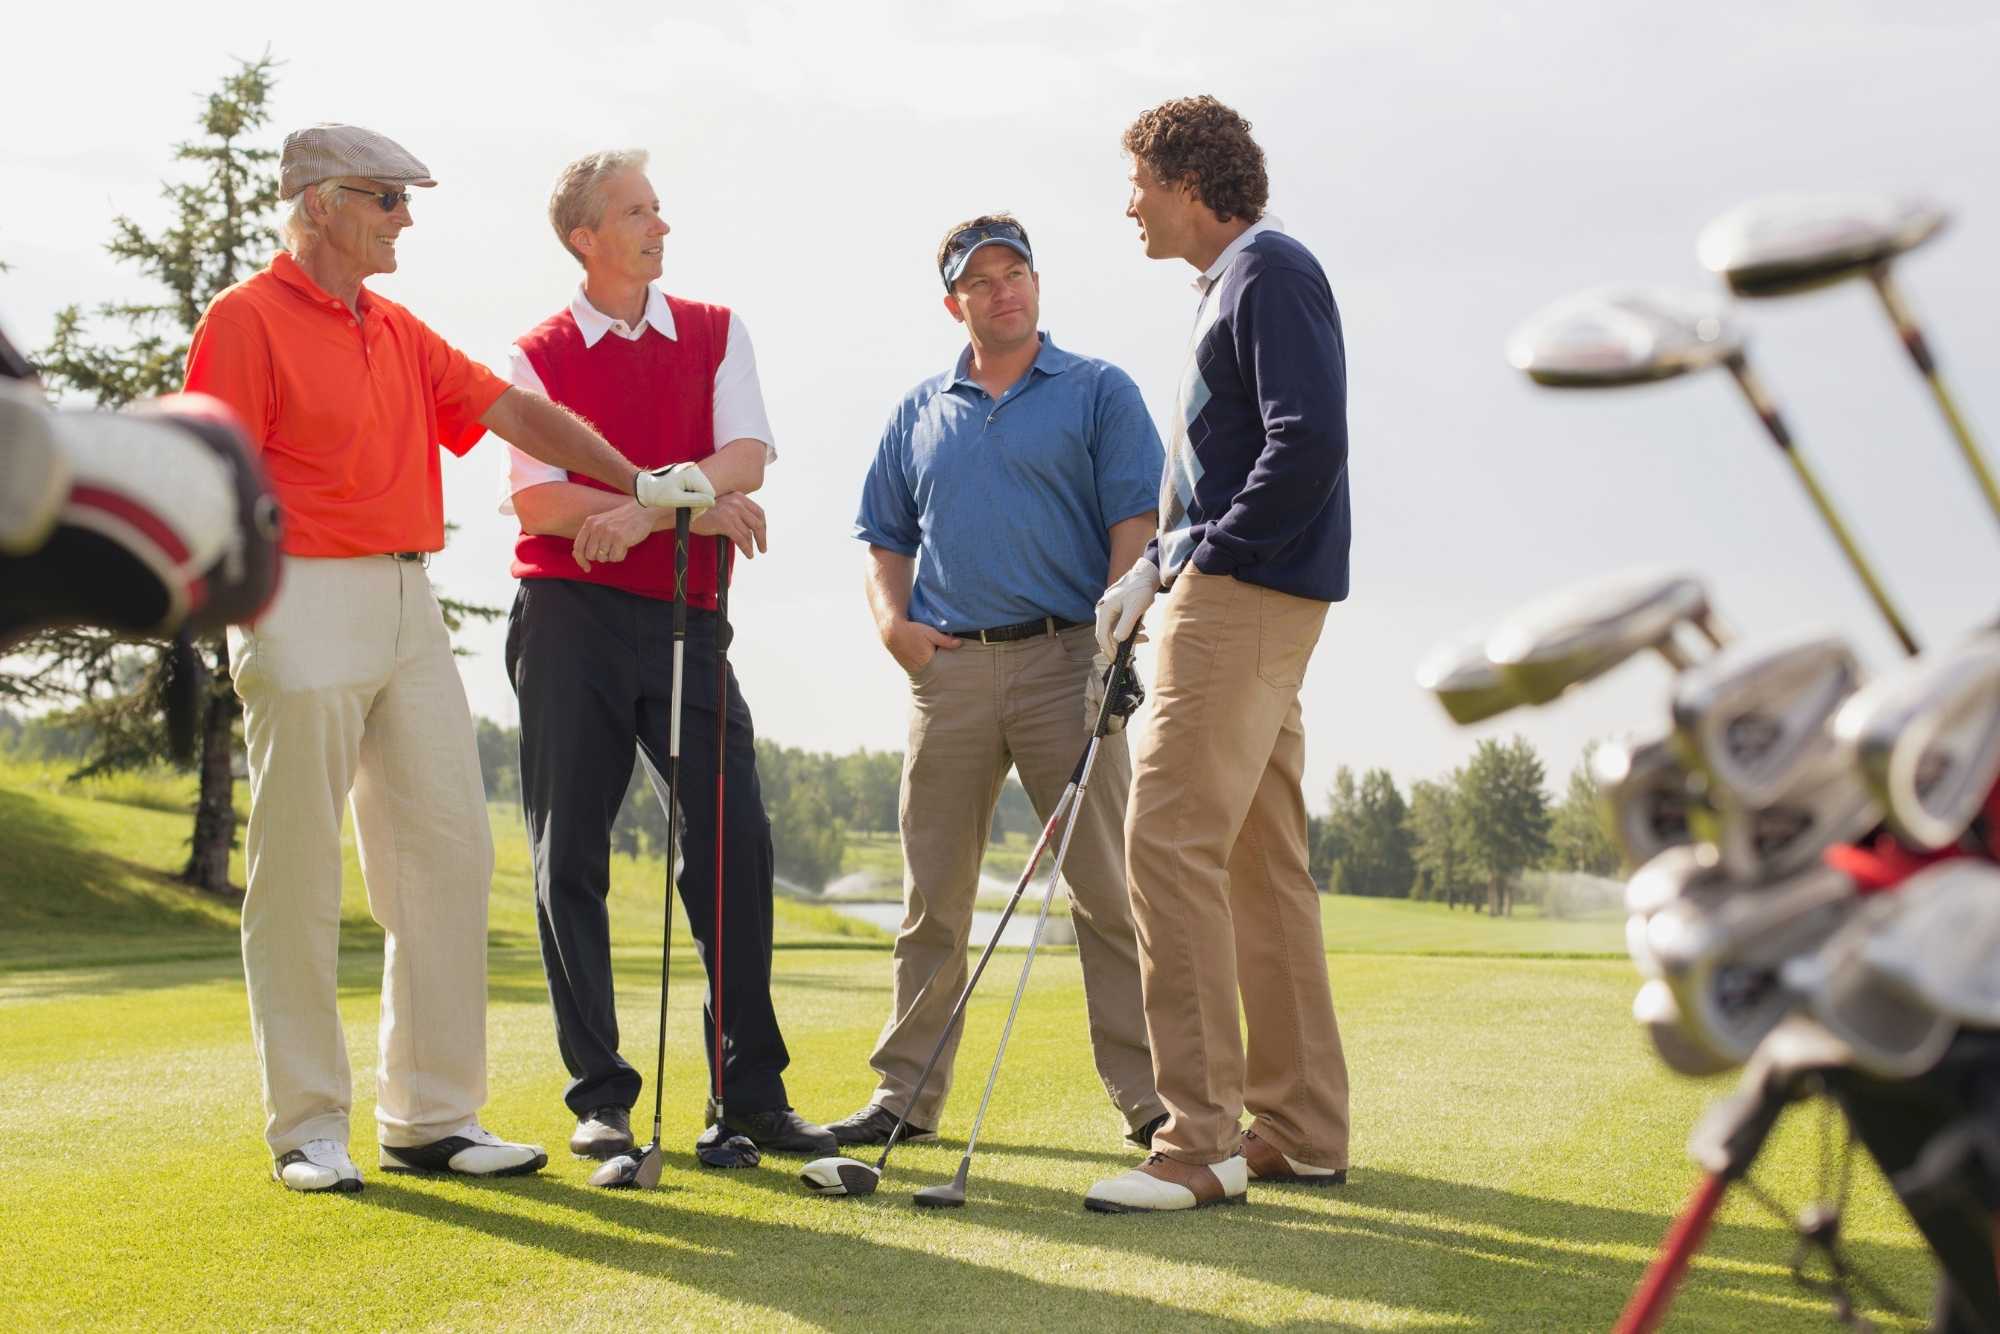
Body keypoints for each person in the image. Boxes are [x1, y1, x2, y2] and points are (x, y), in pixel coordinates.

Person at [183, 123, 713, 1194]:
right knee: (297, 868)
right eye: (387, 199)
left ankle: (428, 1114)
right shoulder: (244, 319)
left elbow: (510, 408)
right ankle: (307, 1125)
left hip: (404, 598)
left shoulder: (395, 328)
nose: (406, 218)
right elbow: (212, 470)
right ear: (322, 202)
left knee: (446, 854)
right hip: (297, 593)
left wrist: (638, 478)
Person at [499, 149, 834, 1161]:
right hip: (566, 616)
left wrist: (640, 514)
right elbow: (539, 502)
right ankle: (600, 1095)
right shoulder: (536, 354)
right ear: (585, 239)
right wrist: (673, 502)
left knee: (733, 838)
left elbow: (745, 460)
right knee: (573, 855)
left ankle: (747, 1091)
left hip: (685, 617)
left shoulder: (716, 332)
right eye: (636, 212)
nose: (659, 226)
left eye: (658, 208)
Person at [834, 213, 1168, 1151]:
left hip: (1072, 662)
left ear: (1035, 282)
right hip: (952, 674)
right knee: (933, 899)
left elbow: (1135, 521)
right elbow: (883, 536)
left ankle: (1151, 1103)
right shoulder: (918, 410)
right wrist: (894, 628)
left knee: (1107, 892)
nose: (1002, 290)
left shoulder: (1099, 390)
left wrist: (1116, 640)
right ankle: (905, 1097)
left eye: (1014, 271)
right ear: (956, 303)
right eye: (979, 281)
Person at [1085, 96, 1354, 1213]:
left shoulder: (1266, 272)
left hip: (1241, 595)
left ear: (1188, 181)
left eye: (1138, 182)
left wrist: (1193, 562)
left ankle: (1196, 1140)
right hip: (1244, 590)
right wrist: (1160, 561)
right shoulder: (1237, 283)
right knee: (1253, 855)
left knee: (1165, 840)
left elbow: (1307, 439)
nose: (1129, 204)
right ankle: (1297, 1124)